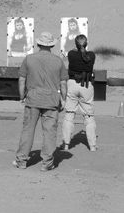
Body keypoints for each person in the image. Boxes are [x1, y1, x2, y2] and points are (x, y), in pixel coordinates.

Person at [13, 32, 68, 171]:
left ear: (38, 44)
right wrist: (64, 99)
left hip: (33, 98)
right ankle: (47, 163)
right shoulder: (58, 61)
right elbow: (63, 83)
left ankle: (21, 161)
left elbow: (21, 80)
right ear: (52, 45)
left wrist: (22, 96)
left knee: (28, 130)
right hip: (51, 100)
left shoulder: (29, 59)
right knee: (49, 132)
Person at [62, 34, 97, 151]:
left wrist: (77, 46)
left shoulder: (71, 54)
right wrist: (82, 46)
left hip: (72, 84)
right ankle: (92, 146)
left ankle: (66, 144)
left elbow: (72, 51)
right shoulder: (92, 55)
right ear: (86, 44)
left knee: (69, 115)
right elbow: (85, 55)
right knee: (89, 116)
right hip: (86, 85)